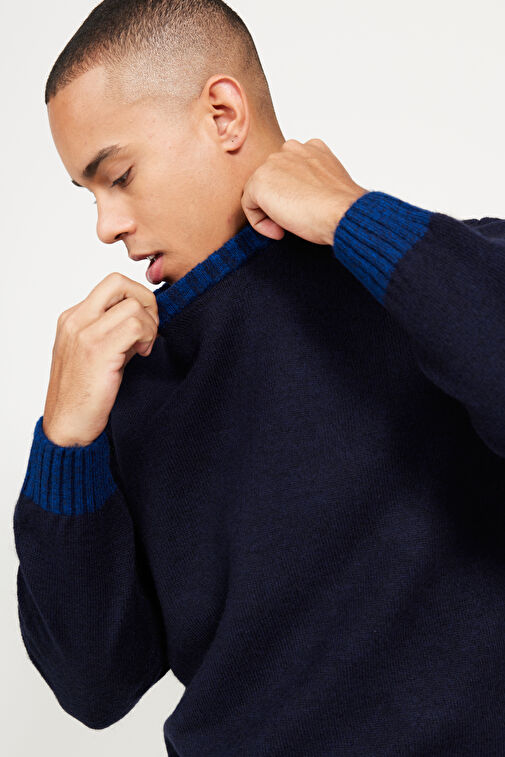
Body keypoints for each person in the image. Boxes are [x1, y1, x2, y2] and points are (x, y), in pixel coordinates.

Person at [13, 0, 505, 755]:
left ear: (223, 114)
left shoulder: (438, 276)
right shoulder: (128, 393)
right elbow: (94, 686)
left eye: (119, 176)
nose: (106, 226)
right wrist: (65, 442)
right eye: (90, 195)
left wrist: (353, 216)